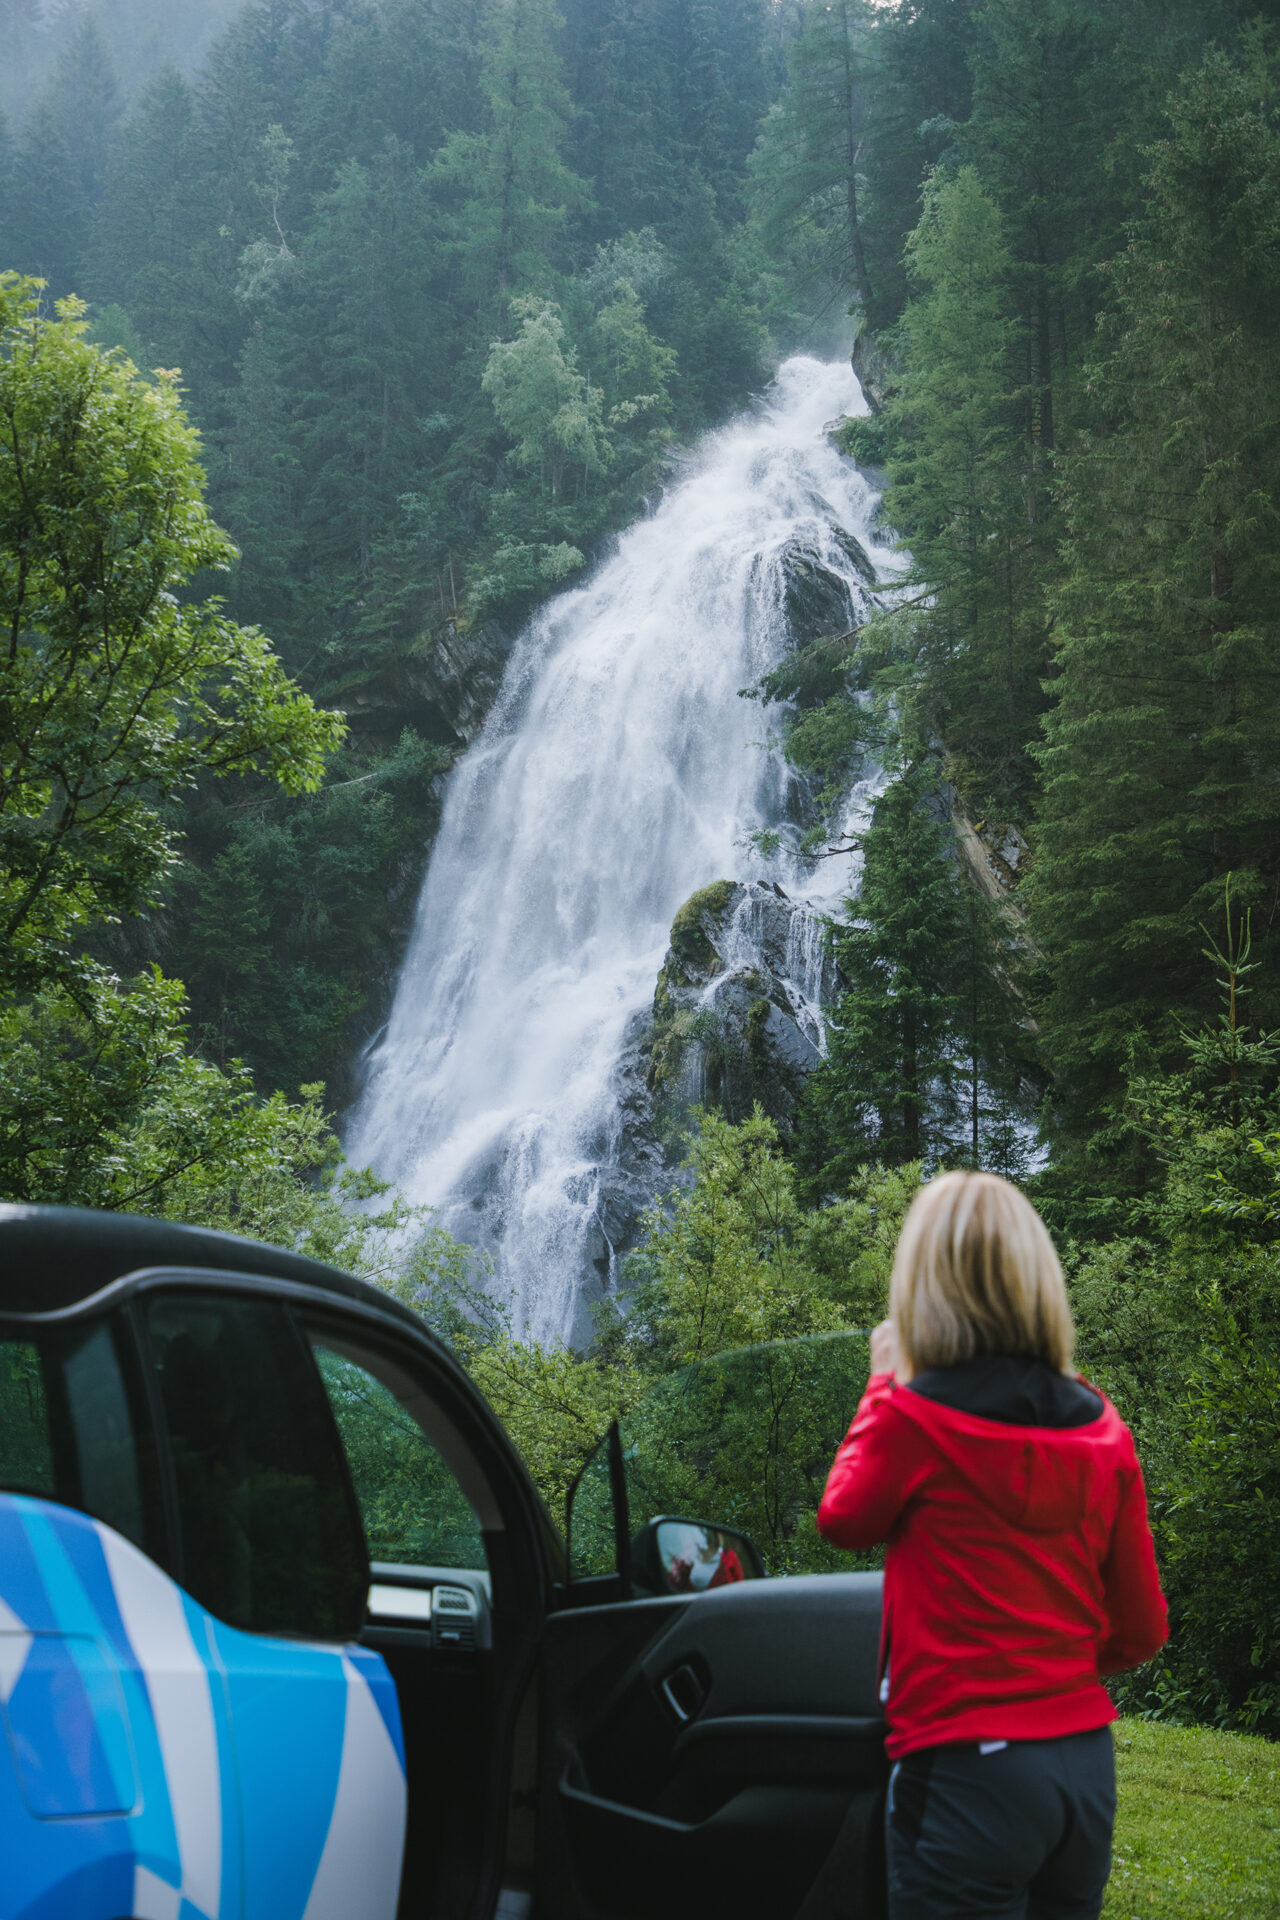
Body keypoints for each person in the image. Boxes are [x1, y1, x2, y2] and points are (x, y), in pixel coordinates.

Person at [817, 1170, 1167, 1920]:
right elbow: (1141, 1631)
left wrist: (883, 1381)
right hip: (1083, 1770)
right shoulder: (1105, 1429)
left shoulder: (912, 1418)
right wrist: (1048, 1672)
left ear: (922, 1287)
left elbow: (844, 1519)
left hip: (968, 1768)